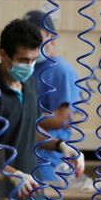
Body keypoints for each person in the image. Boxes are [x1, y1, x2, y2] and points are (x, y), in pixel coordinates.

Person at [0, 18, 82, 200]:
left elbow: (32, 130)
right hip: (1, 198)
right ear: (4, 55)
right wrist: (15, 176)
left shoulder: (28, 84)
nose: (29, 66)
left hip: (32, 189)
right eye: (23, 60)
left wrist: (61, 145)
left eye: (33, 60)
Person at [25, 10, 82, 183]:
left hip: (49, 157)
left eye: (36, 35)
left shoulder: (60, 71)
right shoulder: (24, 68)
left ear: (51, 37)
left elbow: (60, 119)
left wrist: (23, 117)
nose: (30, 40)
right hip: (24, 150)